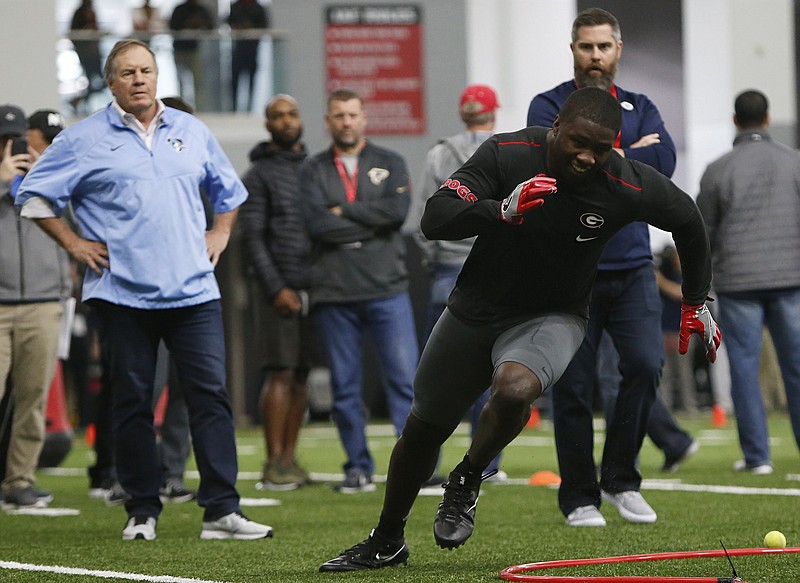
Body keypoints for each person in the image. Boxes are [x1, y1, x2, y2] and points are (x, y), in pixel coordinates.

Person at [319, 86, 720, 572]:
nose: (588, 157)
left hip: (552, 315)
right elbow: (434, 218)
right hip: (474, 309)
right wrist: (500, 212)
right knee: (424, 429)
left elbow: (690, 222)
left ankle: (468, 476)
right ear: (555, 128)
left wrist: (696, 300)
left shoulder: (623, 181)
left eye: (601, 148)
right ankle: (386, 540)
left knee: (515, 388)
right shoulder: (507, 153)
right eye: (578, 142)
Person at [15, 39, 271, 542]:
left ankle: (222, 510)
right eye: (128, 72)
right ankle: (142, 511)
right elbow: (32, 193)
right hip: (121, 293)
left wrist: (220, 231)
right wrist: (72, 243)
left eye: (147, 71)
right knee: (131, 402)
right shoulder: (83, 138)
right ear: (110, 82)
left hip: (194, 291)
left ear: (158, 77)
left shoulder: (191, 130)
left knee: (211, 399)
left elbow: (228, 191)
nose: (139, 79)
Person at [526, 7, 697, 528]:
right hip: (568, 271)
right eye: (585, 47)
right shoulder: (548, 104)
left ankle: (621, 480)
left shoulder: (641, 104)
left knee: (645, 367)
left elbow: (662, 166)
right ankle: (579, 497)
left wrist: (593, 155)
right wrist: (627, 154)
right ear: (573, 50)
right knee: (573, 388)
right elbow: (553, 167)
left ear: (618, 49)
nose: (594, 56)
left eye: (603, 46)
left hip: (631, 269)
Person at [299, 88, 417, 494]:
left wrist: (342, 212)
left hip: (387, 288)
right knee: (345, 388)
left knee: (405, 382)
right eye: (339, 115)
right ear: (328, 121)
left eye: (352, 114)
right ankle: (357, 468)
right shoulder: (311, 170)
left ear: (364, 118)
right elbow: (316, 225)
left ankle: (415, 468)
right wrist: (370, 223)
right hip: (334, 292)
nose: (346, 122)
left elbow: (397, 214)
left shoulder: (391, 162)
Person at [696, 89, 800, 475]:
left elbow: (702, 233)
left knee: (743, 367)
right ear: (768, 118)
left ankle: (758, 458)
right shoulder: (794, 162)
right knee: (797, 368)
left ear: (736, 121)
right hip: (791, 279)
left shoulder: (718, 169)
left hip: (738, 282)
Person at [409, 84, 504, 483]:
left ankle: (426, 464)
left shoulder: (439, 153)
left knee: (440, 376)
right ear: (493, 113)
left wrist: (439, 261)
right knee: (493, 372)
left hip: (447, 273)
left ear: (462, 112)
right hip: (496, 273)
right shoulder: (507, 150)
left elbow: (422, 222)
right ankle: (485, 465)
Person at [238, 94, 312, 490]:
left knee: (301, 375)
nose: (286, 121)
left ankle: (290, 459)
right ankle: (272, 463)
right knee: (280, 373)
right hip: (277, 290)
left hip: (314, 287)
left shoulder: (316, 168)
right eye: (278, 116)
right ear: (268, 125)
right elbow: (252, 239)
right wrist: (276, 288)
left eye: (292, 114)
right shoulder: (258, 175)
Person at [0, 104, 72, 508]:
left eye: (20, 141)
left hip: (44, 301)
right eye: (6, 140)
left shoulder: (48, 176)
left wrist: (42, 175)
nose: (13, 147)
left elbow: (73, 219)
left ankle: (19, 480)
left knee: (32, 397)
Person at [655, 245, 700, 414]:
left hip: (683, 331)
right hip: (664, 329)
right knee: (664, 374)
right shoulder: (667, 274)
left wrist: (660, 280)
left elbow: (680, 293)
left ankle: (690, 407)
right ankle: (664, 409)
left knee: (684, 373)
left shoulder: (690, 276)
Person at [169, 0, 215, 111]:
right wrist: (187, 24)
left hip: (195, 50)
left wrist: (200, 24)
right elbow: (172, 25)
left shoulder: (201, 10)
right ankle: (181, 109)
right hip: (180, 50)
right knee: (181, 82)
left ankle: (200, 110)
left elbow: (211, 26)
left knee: (198, 82)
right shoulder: (179, 9)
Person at [227, 0, 270, 112]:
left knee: (251, 81)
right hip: (238, 50)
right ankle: (233, 108)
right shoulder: (235, 6)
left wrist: (251, 28)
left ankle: (251, 108)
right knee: (234, 81)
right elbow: (229, 22)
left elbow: (264, 25)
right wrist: (239, 27)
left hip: (252, 50)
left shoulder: (258, 8)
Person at [70, 0, 105, 113]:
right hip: (87, 54)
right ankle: (79, 101)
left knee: (103, 81)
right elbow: (74, 33)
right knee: (95, 80)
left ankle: (79, 100)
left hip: (94, 53)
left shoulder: (91, 12)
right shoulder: (80, 13)